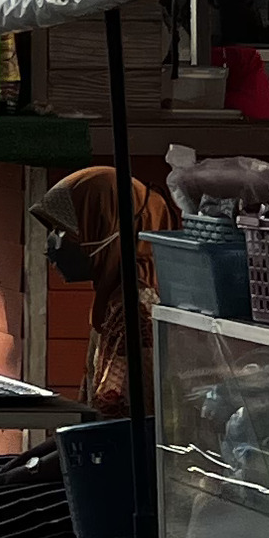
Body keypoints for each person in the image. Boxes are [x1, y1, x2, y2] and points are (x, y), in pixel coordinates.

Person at [34, 164, 178, 419]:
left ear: (106, 228)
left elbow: (112, 426)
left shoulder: (134, 312)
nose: (53, 244)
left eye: (63, 231)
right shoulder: (116, 300)